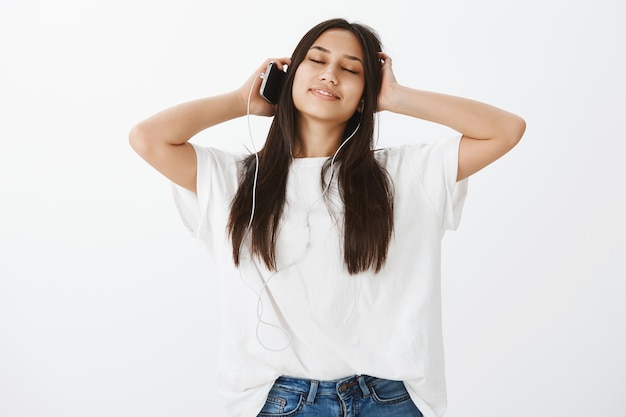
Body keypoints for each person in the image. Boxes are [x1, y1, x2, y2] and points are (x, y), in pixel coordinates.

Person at [129, 18, 525, 417]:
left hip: (389, 400)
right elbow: (148, 138)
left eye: (351, 69)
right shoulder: (235, 181)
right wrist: (240, 101)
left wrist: (396, 97)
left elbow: (505, 130)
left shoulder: (408, 173)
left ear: (367, 91)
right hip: (277, 401)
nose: (330, 75)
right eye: (317, 60)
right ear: (289, 76)